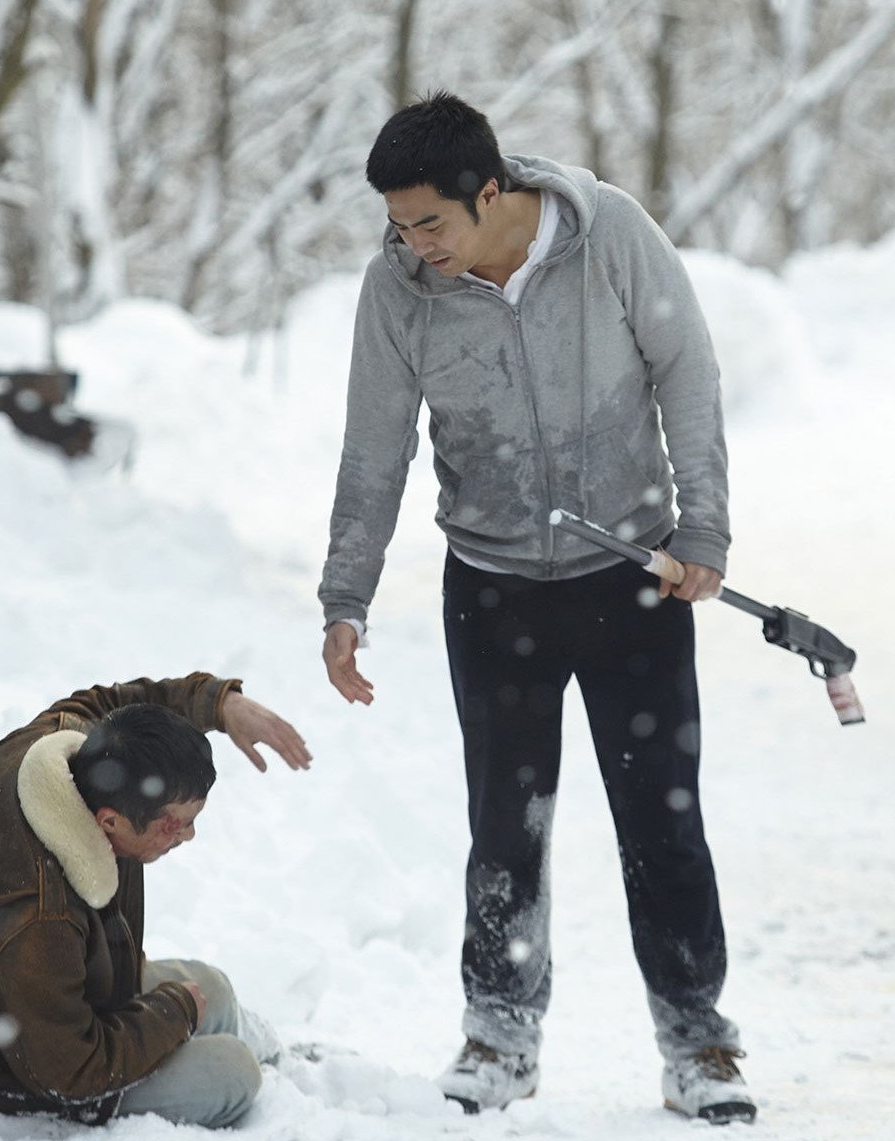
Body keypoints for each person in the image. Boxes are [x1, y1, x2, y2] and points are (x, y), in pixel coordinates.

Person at [318, 92, 754, 1124]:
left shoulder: (609, 238)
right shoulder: (400, 294)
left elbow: (686, 369)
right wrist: (347, 593)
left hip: (630, 577)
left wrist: (703, 530)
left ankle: (697, 1037)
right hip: (493, 583)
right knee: (504, 823)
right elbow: (374, 443)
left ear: (492, 190)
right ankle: (500, 1031)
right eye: (397, 224)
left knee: (663, 820)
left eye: (432, 221)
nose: (415, 245)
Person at [0, 674, 311, 1128]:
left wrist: (219, 704)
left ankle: (275, 1061)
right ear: (110, 822)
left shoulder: (73, 748)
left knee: (213, 990)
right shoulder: (35, 919)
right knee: (230, 1075)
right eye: (174, 825)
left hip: (25, 994)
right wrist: (172, 1013)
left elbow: (120, 706)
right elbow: (70, 1069)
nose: (189, 835)